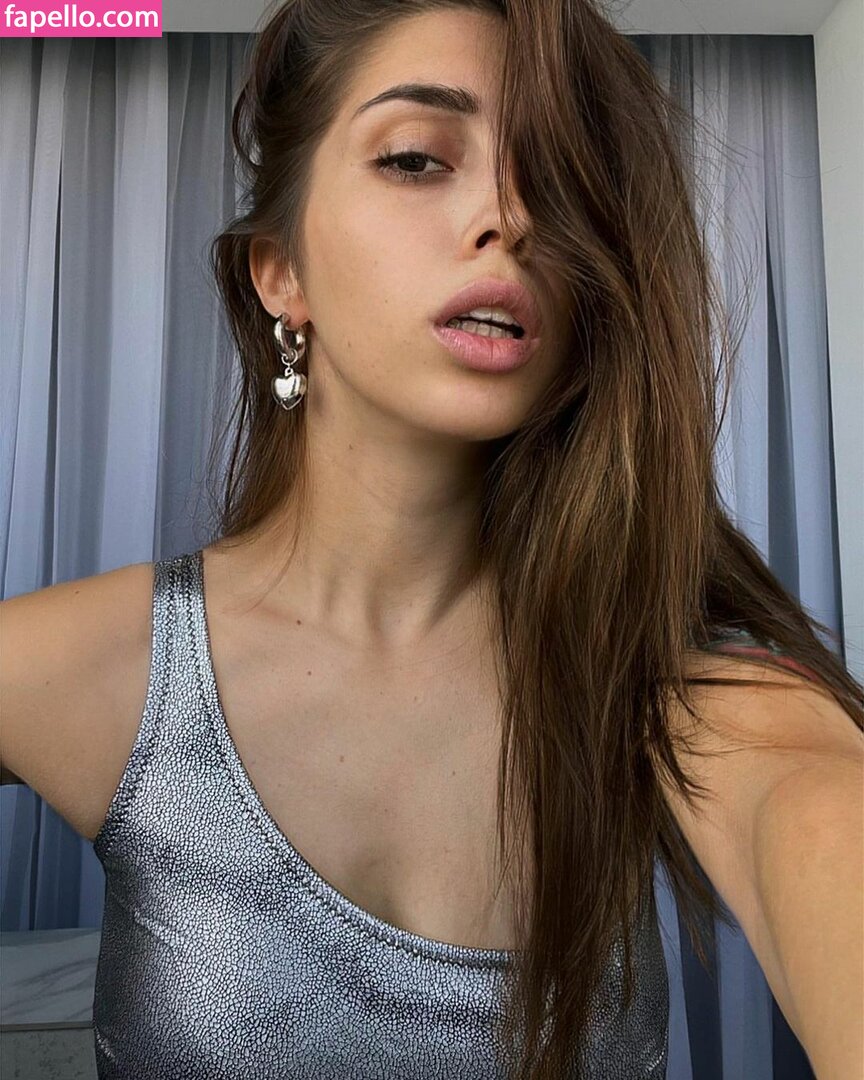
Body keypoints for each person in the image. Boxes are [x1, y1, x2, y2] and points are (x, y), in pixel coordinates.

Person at [1, 0, 862, 1077]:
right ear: (280, 271)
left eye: (560, 178)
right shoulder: (87, 668)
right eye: (415, 159)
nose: (512, 216)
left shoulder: (659, 678)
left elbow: (815, 804)